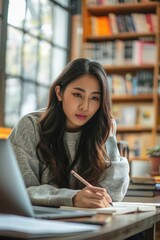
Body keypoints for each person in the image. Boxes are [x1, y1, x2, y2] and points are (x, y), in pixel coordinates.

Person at [9, 58, 129, 208]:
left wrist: (108, 133)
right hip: (40, 222)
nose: (85, 106)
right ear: (59, 93)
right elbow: (19, 190)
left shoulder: (101, 128)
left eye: (95, 98)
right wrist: (72, 198)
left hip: (90, 222)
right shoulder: (30, 126)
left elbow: (113, 194)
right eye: (78, 95)